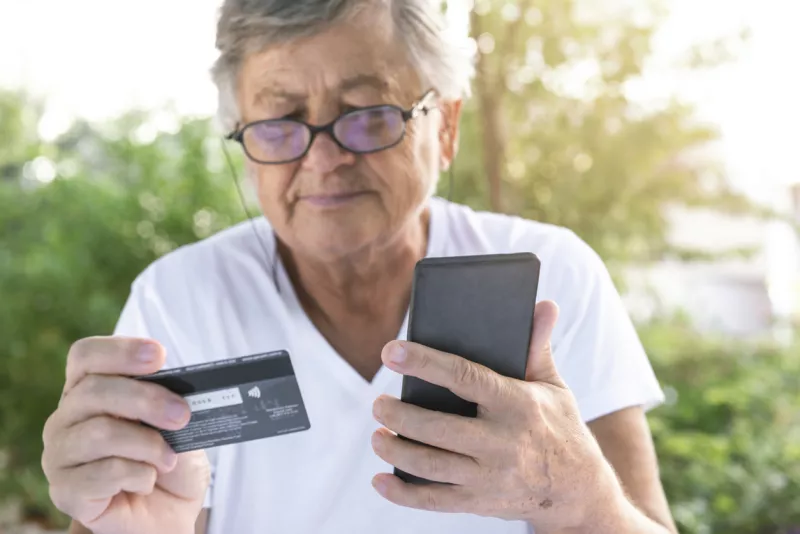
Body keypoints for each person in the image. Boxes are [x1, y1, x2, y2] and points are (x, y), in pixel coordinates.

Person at [41, 1, 678, 533]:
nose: (323, 160)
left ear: (447, 126)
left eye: (369, 116)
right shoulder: (178, 302)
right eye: (279, 122)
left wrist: (579, 495)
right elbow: (137, 514)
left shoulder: (554, 276)